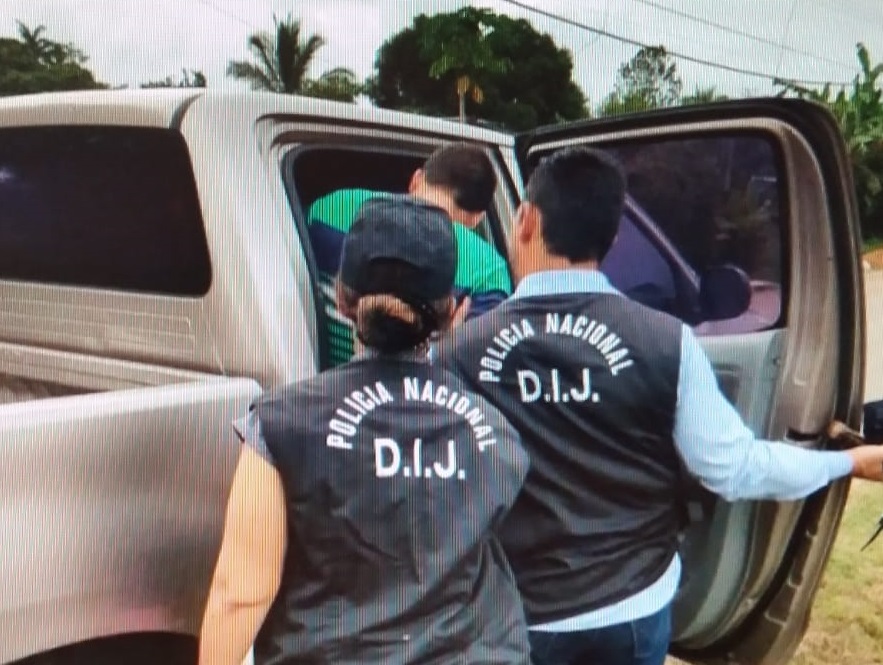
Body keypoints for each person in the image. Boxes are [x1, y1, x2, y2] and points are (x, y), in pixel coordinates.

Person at [435, 146, 883, 665]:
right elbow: (734, 469)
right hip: (631, 609)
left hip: (517, 615)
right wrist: (848, 460)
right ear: (613, 237)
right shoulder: (667, 340)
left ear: (526, 220)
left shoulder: (459, 352)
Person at [198, 196, 531, 665]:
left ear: (341, 298)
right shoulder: (498, 432)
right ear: (456, 314)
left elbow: (240, 594)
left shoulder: (281, 424)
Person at [306, 142, 512, 367]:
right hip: (422, 395)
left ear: (416, 179)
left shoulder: (329, 209)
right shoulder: (488, 270)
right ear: (477, 218)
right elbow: (479, 364)